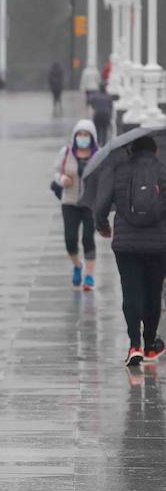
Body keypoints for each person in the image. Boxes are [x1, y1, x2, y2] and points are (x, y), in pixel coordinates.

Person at [93, 134, 166, 366]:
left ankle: (134, 345)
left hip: (126, 244)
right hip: (159, 244)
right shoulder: (163, 170)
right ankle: (150, 344)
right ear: (155, 151)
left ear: (131, 151)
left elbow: (101, 204)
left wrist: (102, 225)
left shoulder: (119, 170)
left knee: (131, 291)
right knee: (153, 292)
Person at [53, 118, 100, 291]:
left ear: (92, 137)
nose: (82, 137)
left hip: (90, 204)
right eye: (79, 134)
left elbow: (104, 177)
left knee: (88, 238)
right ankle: (77, 266)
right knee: (70, 239)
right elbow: (57, 173)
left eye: (86, 134)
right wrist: (62, 179)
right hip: (70, 202)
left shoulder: (98, 154)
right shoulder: (66, 152)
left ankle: (88, 276)